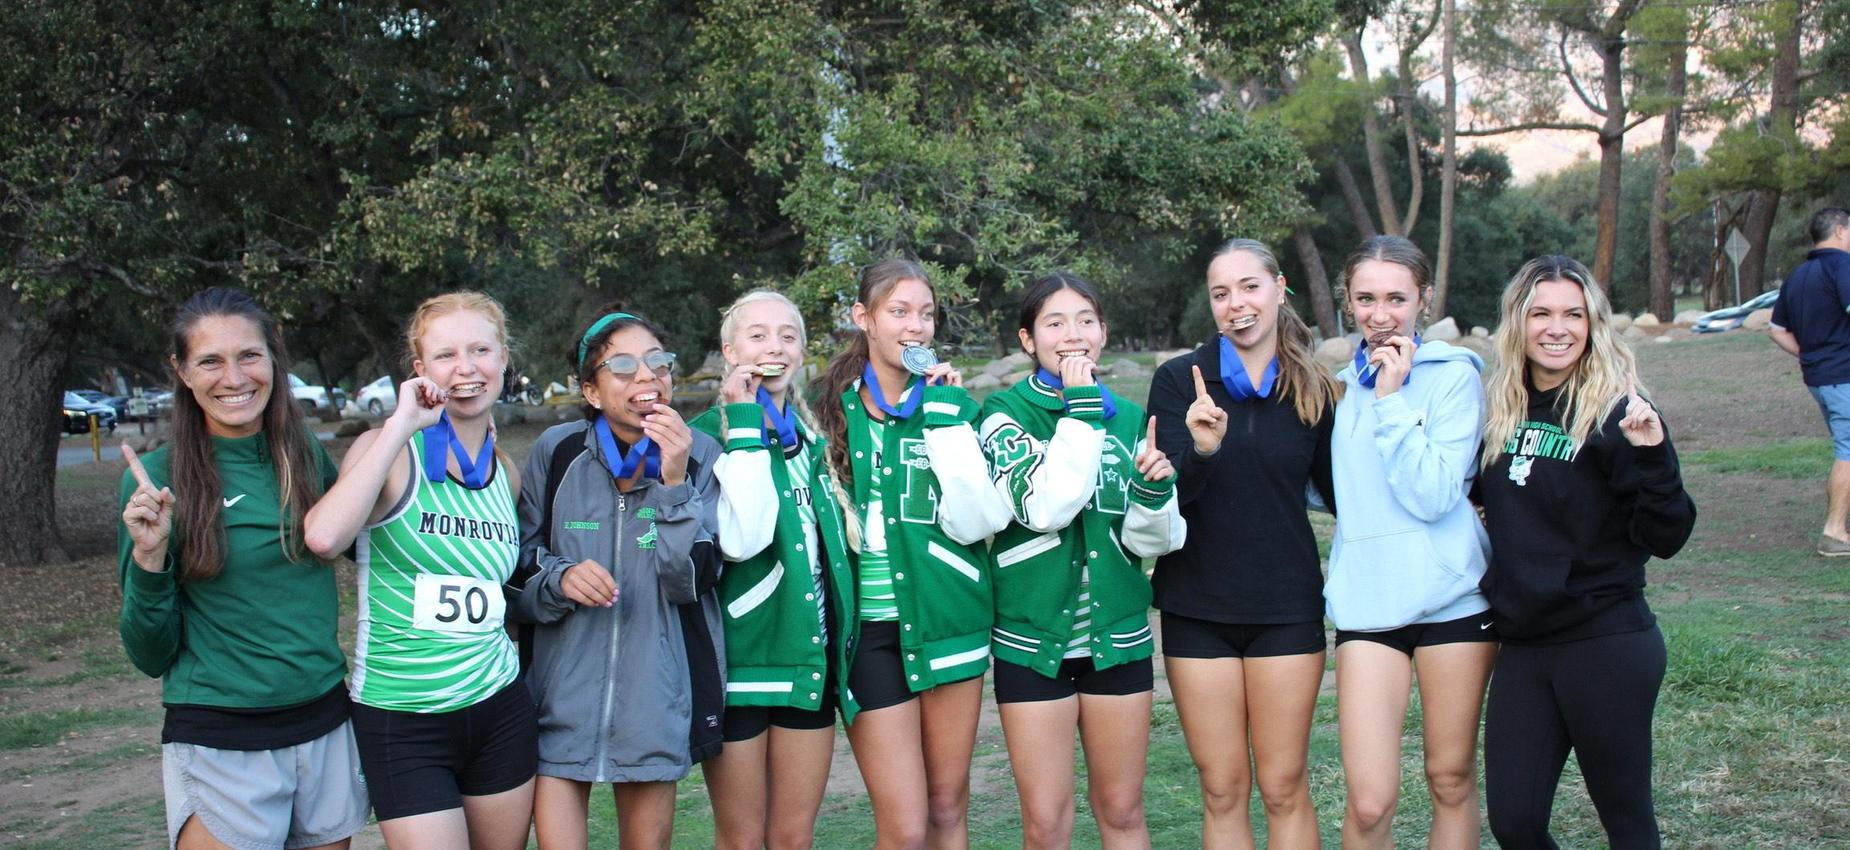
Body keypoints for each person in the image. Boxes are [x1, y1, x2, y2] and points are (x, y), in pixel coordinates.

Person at [118, 287, 369, 850]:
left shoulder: (303, 455)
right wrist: (150, 556)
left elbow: (373, 550)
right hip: (220, 738)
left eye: (249, 356)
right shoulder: (155, 479)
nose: (234, 377)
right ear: (182, 371)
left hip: (325, 724)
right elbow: (149, 654)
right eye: (210, 360)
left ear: (274, 359)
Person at [1476, 255, 1696, 849]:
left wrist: (1652, 454)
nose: (1557, 328)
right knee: (1516, 824)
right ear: (1517, 323)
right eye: (1540, 313)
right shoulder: (1501, 410)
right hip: (1523, 645)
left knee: (1625, 818)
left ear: (1593, 323)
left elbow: (1668, 535)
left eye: (1574, 314)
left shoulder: (1618, 410)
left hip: (1606, 640)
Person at [302, 292, 536, 850]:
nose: (466, 368)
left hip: (498, 706)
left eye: (480, 350)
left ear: (503, 358)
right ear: (420, 370)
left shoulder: (506, 476)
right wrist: (402, 423)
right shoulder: (386, 451)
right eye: (446, 355)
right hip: (402, 717)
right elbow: (324, 537)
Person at [977, 272, 1186, 850]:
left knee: (1121, 812)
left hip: (1117, 641)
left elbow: (1153, 544)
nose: (1073, 335)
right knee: (1047, 825)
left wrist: (1153, 494)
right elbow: (1047, 508)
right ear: (1027, 339)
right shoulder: (1002, 413)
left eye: (1086, 320)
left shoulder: (1132, 417)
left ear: (1103, 332)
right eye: (1054, 323)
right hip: (1033, 645)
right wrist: (1082, 409)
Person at [811, 258, 1014, 850]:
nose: (916, 326)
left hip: (950, 622)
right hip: (871, 634)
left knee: (948, 808)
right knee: (903, 826)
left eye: (925, 314)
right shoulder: (830, 412)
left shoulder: (958, 408)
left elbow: (981, 520)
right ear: (864, 319)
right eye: (898, 311)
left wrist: (950, 424)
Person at [1145, 239, 1338, 850]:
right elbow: (1169, 496)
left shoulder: (1316, 390)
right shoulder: (1180, 380)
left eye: (1250, 287)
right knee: (1223, 788)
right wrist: (1203, 449)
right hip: (1197, 608)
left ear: (1280, 288)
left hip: (1286, 607)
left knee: (1283, 786)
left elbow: (1343, 494)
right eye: (1221, 294)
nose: (1237, 304)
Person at [510, 308, 724, 850]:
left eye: (658, 363)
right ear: (591, 389)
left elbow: (690, 581)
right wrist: (560, 579)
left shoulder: (700, 456)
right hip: (558, 699)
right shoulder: (556, 452)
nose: (648, 378)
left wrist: (673, 484)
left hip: (656, 698)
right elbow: (516, 565)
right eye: (623, 367)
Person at [1323, 236, 1496, 849]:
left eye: (1396, 298)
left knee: (1449, 778)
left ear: (1423, 300)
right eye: (1366, 298)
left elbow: (1433, 495)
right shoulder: (1340, 389)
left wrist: (1393, 400)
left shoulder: (1454, 379)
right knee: (1370, 803)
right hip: (1369, 605)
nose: (1380, 314)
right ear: (1349, 302)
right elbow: (1332, 488)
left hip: (1452, 600)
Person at [691, 290, 854, 850]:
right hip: (741, 666)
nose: (774, 347)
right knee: (740, 838)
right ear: (729, 348)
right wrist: (742, 422)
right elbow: (740, 542)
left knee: (792, 836)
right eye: (757, 335)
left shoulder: (813, 440)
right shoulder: (704, 435)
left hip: (808, 661)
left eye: (788, 336)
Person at [1768, 207, 1850, 556]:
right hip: (1843, 376)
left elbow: (1776, 330)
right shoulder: (1843, 266)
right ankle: (1834, 531)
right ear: (1841, 232)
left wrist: (1808, 355)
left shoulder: (1799, 275)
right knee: (1848, 451)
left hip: (1820, 378)